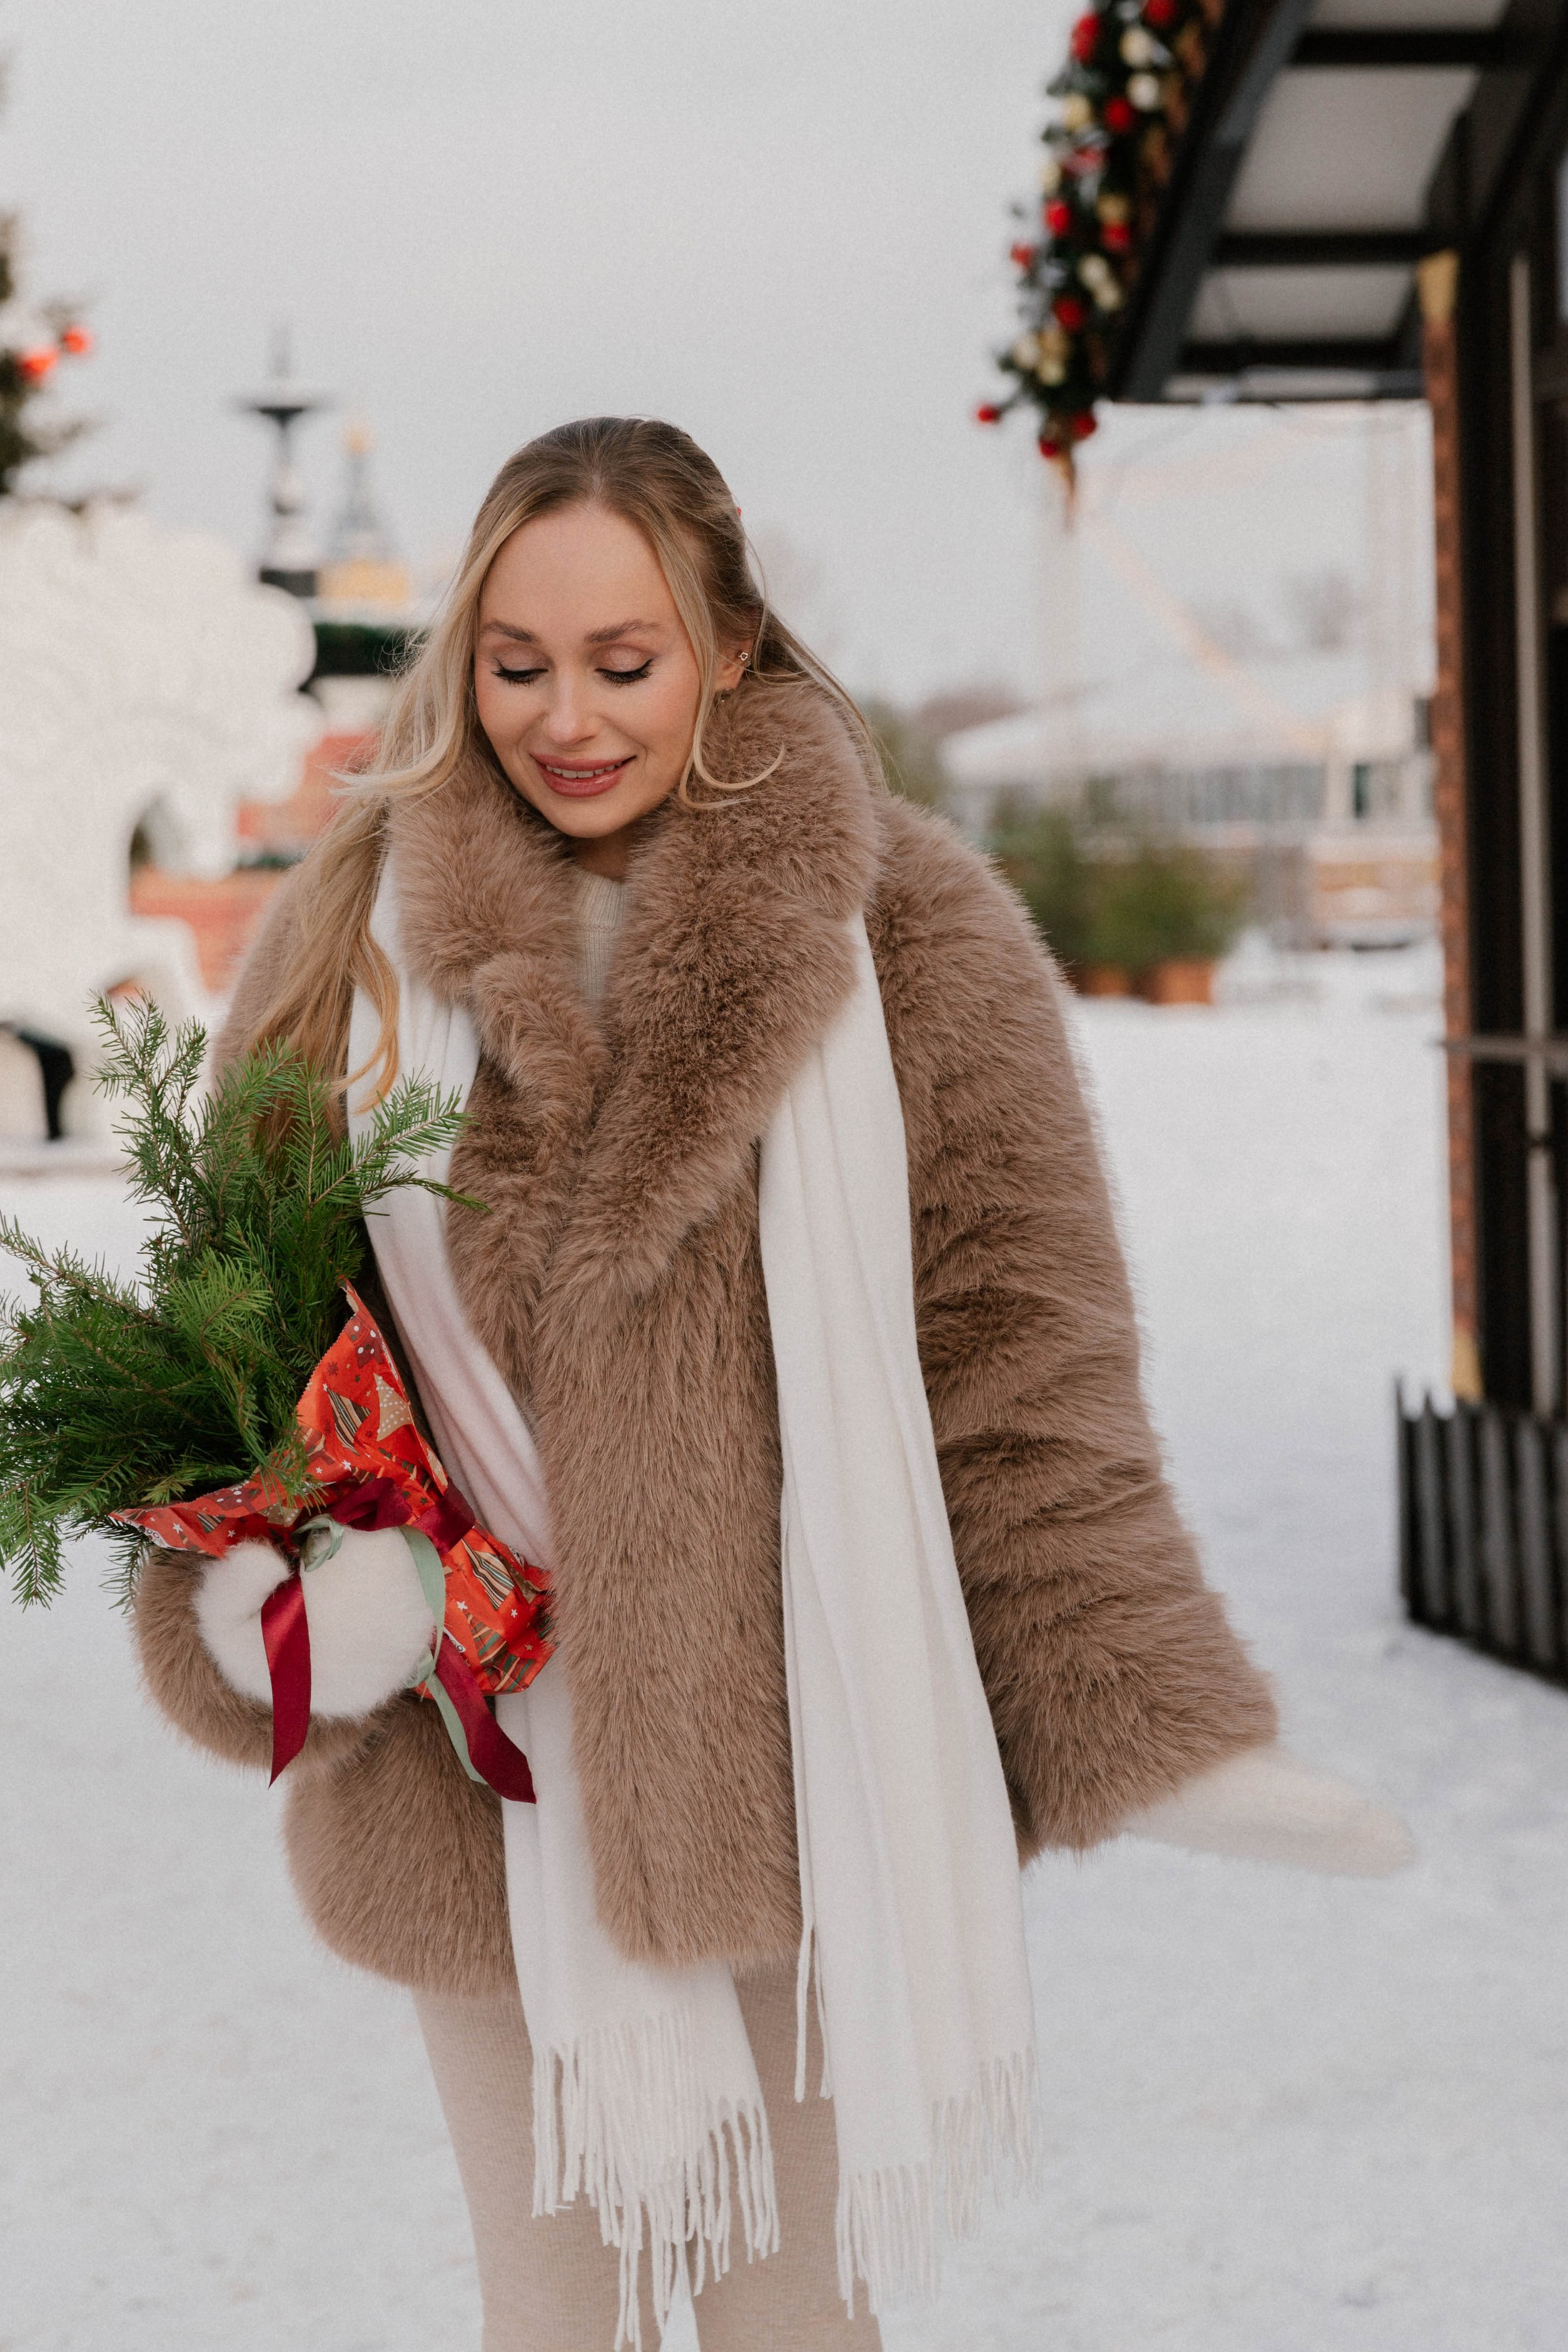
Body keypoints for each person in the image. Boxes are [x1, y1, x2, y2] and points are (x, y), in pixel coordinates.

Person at [133, 417, 1409, 2352]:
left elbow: (1021, 1368)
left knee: (786, 2317)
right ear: (463, 655)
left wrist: (1153, 1717)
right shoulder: (344, 955)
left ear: (730, 645)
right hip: (474, 1767)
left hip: (794, 1764)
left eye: (624, 661)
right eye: (519, 661)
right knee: (552, 2320)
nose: (567, 715)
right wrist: (277, 1607)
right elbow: (228, 1361)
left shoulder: (911, 940)